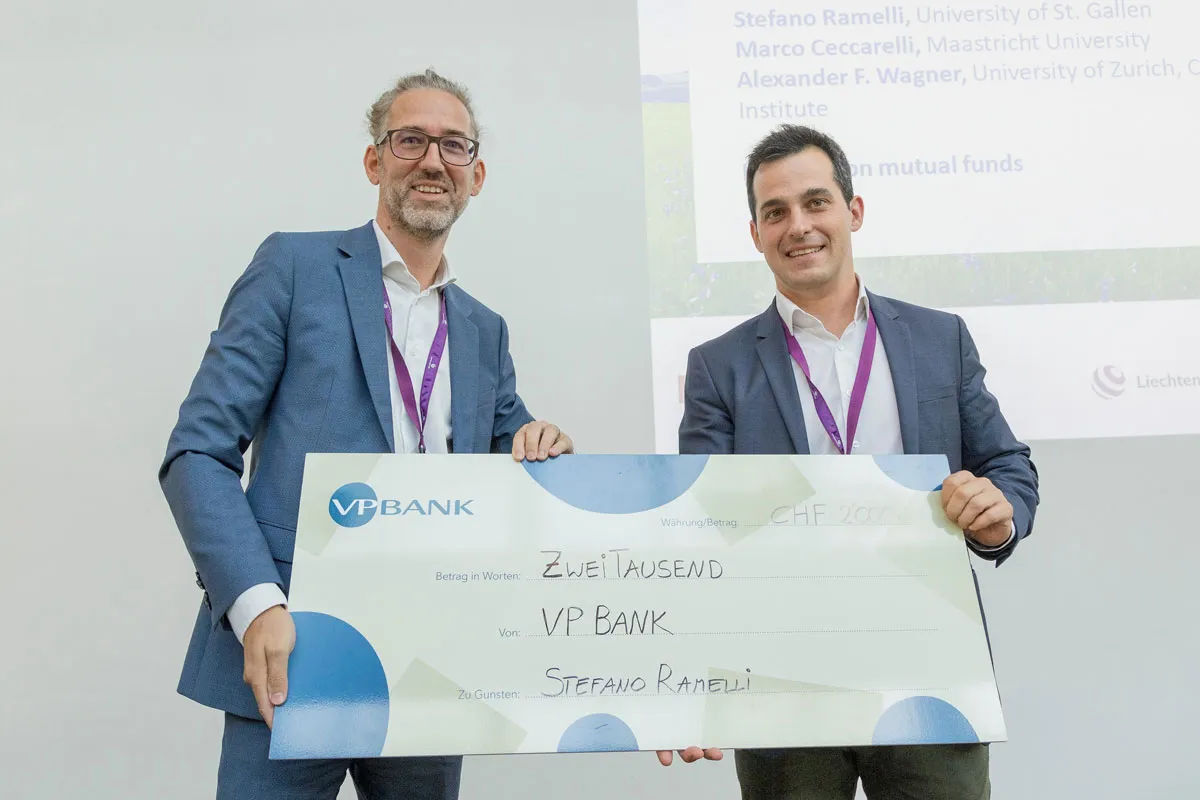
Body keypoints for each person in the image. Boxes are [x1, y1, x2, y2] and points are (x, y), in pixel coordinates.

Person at [158, 68, 573, 799]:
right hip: (291, 654)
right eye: (410, 139)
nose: (433, 160)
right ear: (375, 161)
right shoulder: (294, 267)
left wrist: (542, 446)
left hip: (431, 661)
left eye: (453, 145)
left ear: (476, 176)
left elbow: (514, 456)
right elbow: (197, 452)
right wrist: (258, 606)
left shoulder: (483, 330)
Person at [657, 124, 1038, 799]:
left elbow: (1006, 465)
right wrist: (688, 677)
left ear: (852, 211)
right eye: (775, 212)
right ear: (755, 233)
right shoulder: (717, 368)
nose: (797, 225)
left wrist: (998, 516)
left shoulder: (937, 338)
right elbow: (701, 532)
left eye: (815, 202)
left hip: (929, 668)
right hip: (782, 679)